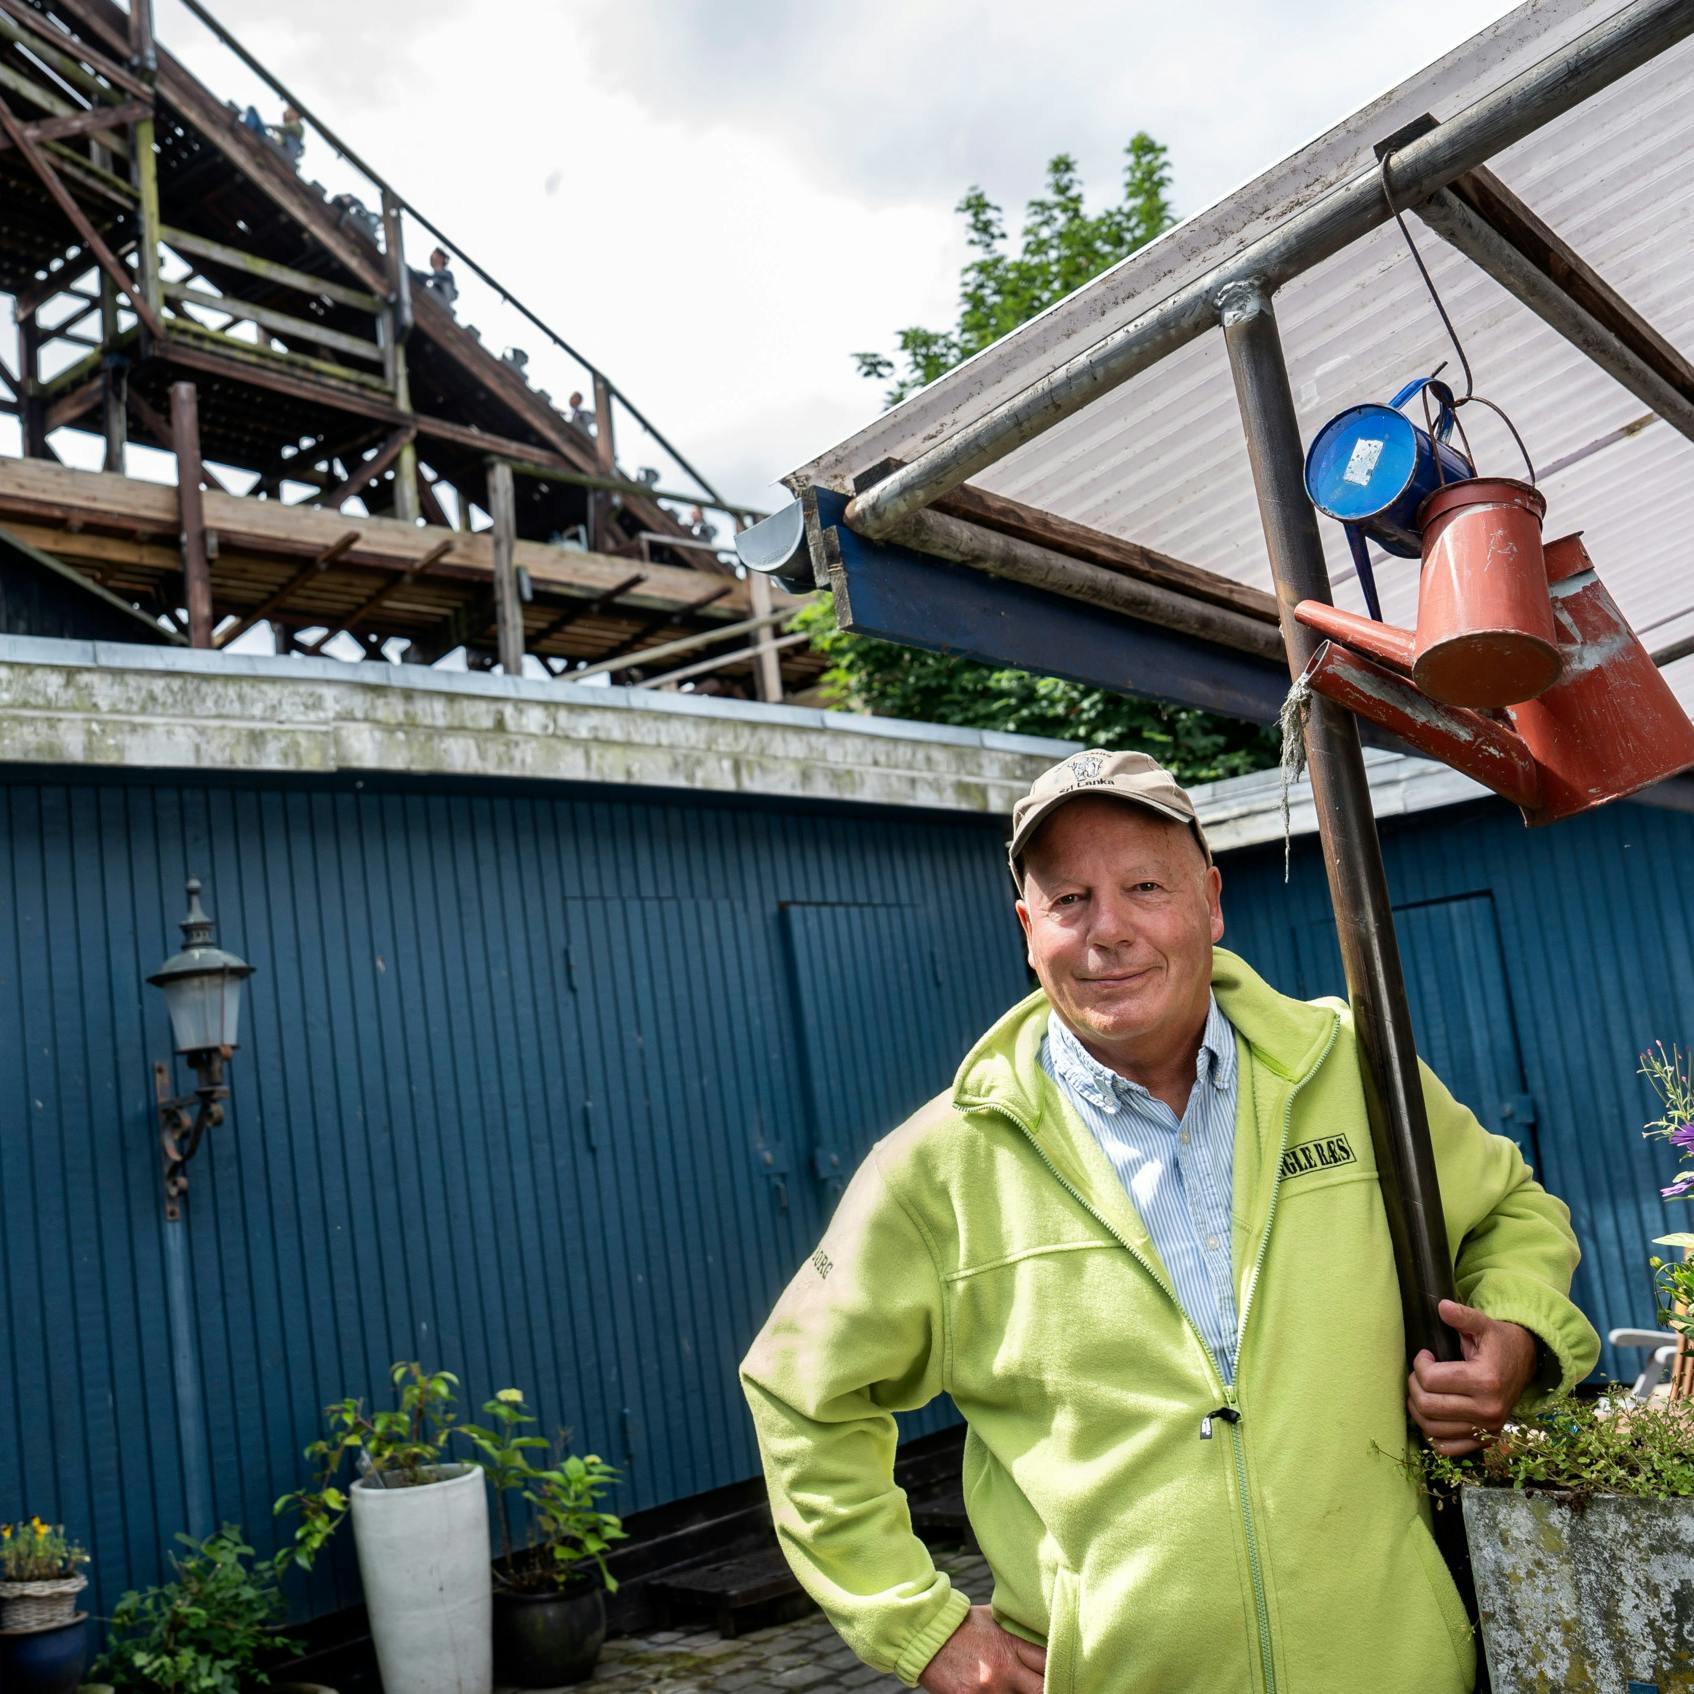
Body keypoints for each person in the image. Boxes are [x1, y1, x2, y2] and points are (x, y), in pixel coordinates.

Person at [741, 748, 1598, 1694]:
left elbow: (1514, 1212)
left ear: (1212, 901)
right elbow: (799, 1395)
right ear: (1029, 929)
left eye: (1146, 887)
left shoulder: (1353, 1067)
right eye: (1069, 901)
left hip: (1397, 1668)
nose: (1108, 931)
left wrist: (1515, 1339)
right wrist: (920, 1626)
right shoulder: (938, 1165)